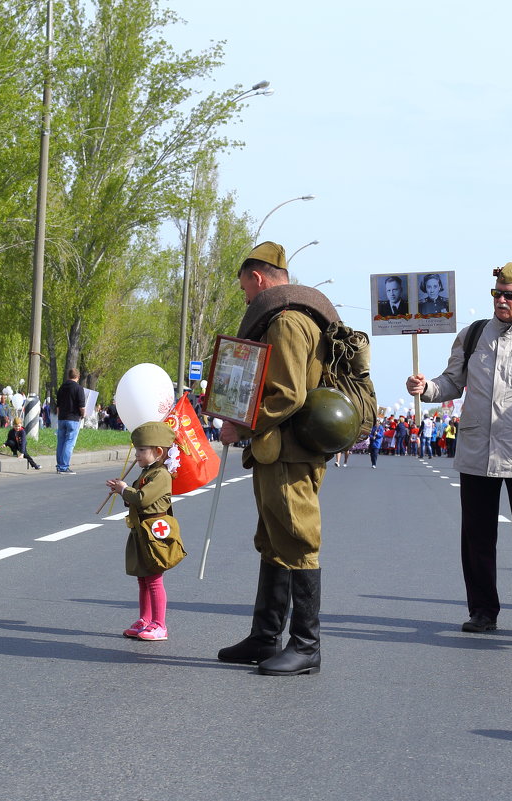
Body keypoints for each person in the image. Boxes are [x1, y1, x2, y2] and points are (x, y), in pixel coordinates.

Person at [406, 262, 512, 637]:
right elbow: (451, 383)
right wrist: (425, 388)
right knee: (477, 537)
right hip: (477, 451)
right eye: (497, 294)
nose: (501, 301)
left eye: (510, 295)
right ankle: (482, 611)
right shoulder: (473, 335)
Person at [215, 241, 337, 676]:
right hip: (278, 449)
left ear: (258, 278)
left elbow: (287, 395)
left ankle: (306, 645)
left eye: (245, 284)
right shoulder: (291, 317)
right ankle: (266, 637)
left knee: (299, 541)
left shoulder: (286, 322)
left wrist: (241, 426)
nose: (245, 295)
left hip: (289, 451)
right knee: (274, 539)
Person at [105, 421, 184, 641]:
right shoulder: (147, 472)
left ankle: (160, 624)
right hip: (140, 530)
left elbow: (142, 498)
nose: (136, 454)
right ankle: (145, 619)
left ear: (158, 451)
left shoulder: (161, 475)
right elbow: (133, 499)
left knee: (154, 578)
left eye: (141, 450)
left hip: (153, 533)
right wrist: (121, 491)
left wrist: (124, 490)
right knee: (142, 577)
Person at [55, 368, 85, 474]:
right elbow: (81, 406)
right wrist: (83, 415)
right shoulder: (79, 388)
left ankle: (59, 466)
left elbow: (58, 406)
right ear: (78, 376)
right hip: (73, 419)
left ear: (68, 376)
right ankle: (64, 467)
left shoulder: (61, 388)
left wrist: (60, 417)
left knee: (61, 442)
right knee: (69, 443)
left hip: (61, 418)